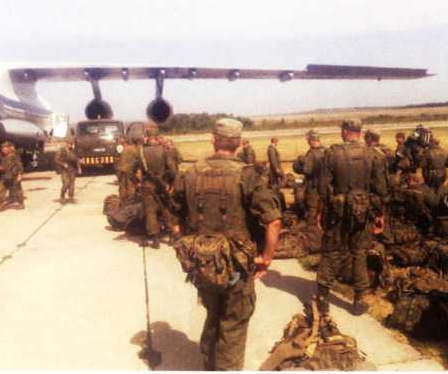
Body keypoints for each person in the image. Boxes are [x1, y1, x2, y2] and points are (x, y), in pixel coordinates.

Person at [172, 118, 282, 370]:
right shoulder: (248, 175)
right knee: (233, 320)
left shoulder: (191, 173)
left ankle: (209, 364)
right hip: (236, 269)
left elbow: (175, 220)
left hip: (203, 264)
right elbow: (274, 222)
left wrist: (191, 248)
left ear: (213, 140)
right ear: (240, 143)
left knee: (213, 313)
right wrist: (266, 258)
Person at [316, 118, 388, 316]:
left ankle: (322, 297)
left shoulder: (332, 153)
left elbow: (322, 188)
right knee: (360, 253)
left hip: (337, 212)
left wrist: (322, 210)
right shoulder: (374, 155)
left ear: (345, 131)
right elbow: (381, 190)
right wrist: (379, 214)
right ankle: (359, 299)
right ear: (360, 132)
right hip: (364, 212)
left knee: (331, 251)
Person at [133, 128, 177, 248]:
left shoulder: (141, 152)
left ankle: (155, 239)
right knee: (165, 210)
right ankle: (172, 235)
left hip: (147, 186)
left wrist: (137, 182)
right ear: (157, 137)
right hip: (162, 186)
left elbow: (132, 170)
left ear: (147, 137)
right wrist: (169, 183)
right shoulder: (164, 150)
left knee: (150, 212)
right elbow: (173, 170)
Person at [293, 130, 325, 225]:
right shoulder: (326, 151)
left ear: (310, 140)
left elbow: (307, 171)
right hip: (325, 187)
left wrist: (299, 164)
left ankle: (312, 229)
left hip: (313, 188)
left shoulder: (311, 154)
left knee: (312, 211)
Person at [0, 142, 25, 211]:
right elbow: (1, 165)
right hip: (4, 177)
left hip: (13, 177)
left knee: (18, 191)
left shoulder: (14, 156)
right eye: (2, 148)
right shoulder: (2, 157)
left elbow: (19, 166)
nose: (3, 150)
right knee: (1, 191)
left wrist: (19, 175)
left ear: (9, 149)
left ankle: (21, 204)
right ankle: (1, 205)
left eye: (5, 148)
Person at [55, 138, 82, 204]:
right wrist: (63, 164)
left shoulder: (73, 151)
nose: (71, 145)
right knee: (66, 183)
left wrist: (79, 168)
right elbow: (56, 159)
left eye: (72, 144)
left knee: (72, 184)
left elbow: (76, 160)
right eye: (70, 144)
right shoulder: (61, 150)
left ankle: (71, 197)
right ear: (66, 144)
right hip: (64, 170)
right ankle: (62, 197)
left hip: (72, 169)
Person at [115, 136, 142, 200]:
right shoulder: (133, 148)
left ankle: (123, 199)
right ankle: (130, 199)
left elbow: (116, 159)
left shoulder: (119, 149)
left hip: (121, 170)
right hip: (130, 169)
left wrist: (117, 169)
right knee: (130, 185)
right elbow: (138, 158)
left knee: (122, 186)